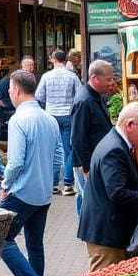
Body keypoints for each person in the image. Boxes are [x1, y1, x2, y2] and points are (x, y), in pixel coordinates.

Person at [0, 70, 64, 276]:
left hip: (22, 191)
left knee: (0, 239)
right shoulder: (50, 118)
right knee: (35, 245)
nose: (9, 93)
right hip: (44, 192)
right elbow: (58, 157)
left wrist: (5, 185)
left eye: (9, 90)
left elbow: (15, 161)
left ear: (16, 89)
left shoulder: (18, 119)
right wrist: (48, 177)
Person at [77, 102, 138, 270]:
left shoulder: (120, 145)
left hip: (112, 231)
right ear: (129, 125)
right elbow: (118, 193)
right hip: (107, 235)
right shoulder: (114, 149)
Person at [70, 60, 117, 216]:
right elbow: (78, 139)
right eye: (108, 79)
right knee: (88, 200)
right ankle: (86, 235)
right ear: (95, 78)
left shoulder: (95, 96)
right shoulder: (85, 100)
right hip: (88, 164)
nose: (112, 83)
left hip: (94, 161)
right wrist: (87, 167)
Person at [35, 50, 82, 196]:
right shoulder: (72, 76)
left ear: (53, 60)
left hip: (51, 115)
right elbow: (79, 95)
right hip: (67, 115)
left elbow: (39, 96)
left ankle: (52, 184)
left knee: (52, 150)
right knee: (68, 150)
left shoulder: (46, 76)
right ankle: (68, 184)